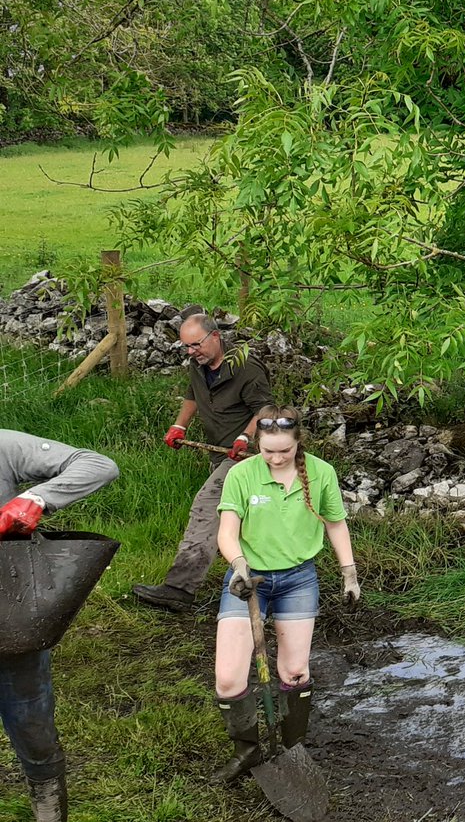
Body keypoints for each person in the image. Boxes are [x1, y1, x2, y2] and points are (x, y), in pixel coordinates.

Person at [210, 406, 359, 782]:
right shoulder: (241, 474)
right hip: (247, 582)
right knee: (228, 679)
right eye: (268, 451)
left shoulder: (321, 473)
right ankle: (247, 752)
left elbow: (335, 523)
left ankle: (292, 751)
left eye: (285, 452)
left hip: (298, 580)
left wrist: (349, 573)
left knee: (294, 673)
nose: (276, 458)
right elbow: (227, 533)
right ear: (258, 444)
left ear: (298, 444)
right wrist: (240, 564)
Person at [0, 430, 119, 822]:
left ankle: (46, 797)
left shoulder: (4, 446)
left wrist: (35, 498)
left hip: (10, 611)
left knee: (29, 713)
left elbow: (99, 466)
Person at [133, 312, 272, 612]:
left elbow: (265, 409)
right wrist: (179, 426)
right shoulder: (199, 364)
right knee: (240, 520)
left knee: (206, 506)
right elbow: (192, 396)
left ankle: (179, 588)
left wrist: (246, 438)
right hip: (219, 451)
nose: (191, 352)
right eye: (186, 347)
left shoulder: (245, 367)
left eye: (195, 345)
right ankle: (258, 579)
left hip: (247, 456)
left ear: (216, 337)